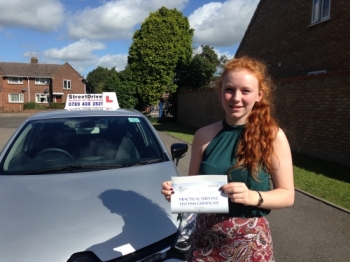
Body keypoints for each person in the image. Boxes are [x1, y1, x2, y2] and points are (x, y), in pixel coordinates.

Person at [161, 56, 294, 261]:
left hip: (250, 242)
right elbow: (194, 191)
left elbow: (287, 195)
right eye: (229, 89)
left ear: (259, 95)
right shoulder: (203, 135)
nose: (236, 98)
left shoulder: (273, 136)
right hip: (205, 239)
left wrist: (253, 197)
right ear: (220, 92)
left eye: (246, 91)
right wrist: (177, 194)